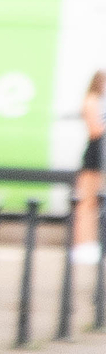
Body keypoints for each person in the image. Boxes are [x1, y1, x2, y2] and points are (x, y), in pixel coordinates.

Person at [78, 72, 105, 254]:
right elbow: (94, 130)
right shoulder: (91, 100)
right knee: (87, 202)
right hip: (94, 154)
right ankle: (82, 244)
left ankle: (90, 243)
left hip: (99, 154)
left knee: (96, 202)